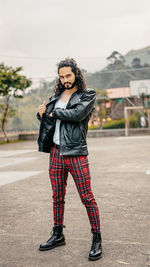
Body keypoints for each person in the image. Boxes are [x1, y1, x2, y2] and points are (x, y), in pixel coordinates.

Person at [37, 58, 102, 261]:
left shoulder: (87, 95)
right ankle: (58, 234)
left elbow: (77, 113)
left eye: (68, 75)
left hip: (76, 153)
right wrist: (41, 114)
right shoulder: (55, 97)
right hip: (56, 153)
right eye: (62, 76)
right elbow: (49, 119)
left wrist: (52, 112)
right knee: (57, 196)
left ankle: (97, 238)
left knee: (87, 198)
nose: (65, 79)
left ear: (76, 74)